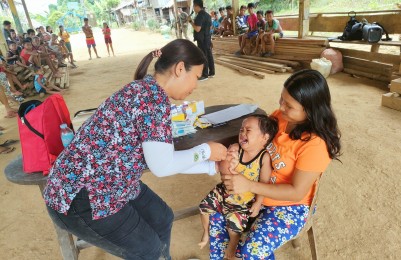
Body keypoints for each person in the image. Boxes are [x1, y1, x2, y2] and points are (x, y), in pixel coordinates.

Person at [43, 39, 228, 260]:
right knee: (146, 249)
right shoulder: (152, 99)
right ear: (180, 69)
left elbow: (160, 158)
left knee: (162, 217)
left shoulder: (146, 89)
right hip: (80, 196)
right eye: (196, 77)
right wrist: (206, 151)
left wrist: (210, 166)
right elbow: (162, 166)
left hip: (108, 182)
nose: (195, 86)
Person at [209, 69, 342, 259]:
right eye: (281, 99)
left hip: (289, 206)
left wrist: (249, 185)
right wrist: (237, 148)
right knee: (216, 216)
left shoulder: (315, 144)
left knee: (249, 252)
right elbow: (257, 142)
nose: (281, 106)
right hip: (256, 193)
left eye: (289, 105)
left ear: (310, 110)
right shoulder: (279, 118)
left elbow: (296, 192)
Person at [198, 114, 278, 259]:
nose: (242, 133)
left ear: (264, 138)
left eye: (248, 130)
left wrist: (258, 202)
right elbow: (224, 171)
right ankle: (206, 232)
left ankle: (233, 245)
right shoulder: (236, 148)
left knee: (234, 226)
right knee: (204, 207)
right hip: (223, 192)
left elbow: (263, 183)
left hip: (243, 200)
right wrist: (229, 162)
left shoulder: (264, 158)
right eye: (241, 130)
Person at [189, 0, 215, 81]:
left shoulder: (200, 15)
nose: (193, 8)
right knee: (209, 55)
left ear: (196, 6)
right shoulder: (207, 15)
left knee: (203, 55)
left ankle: (205, 74)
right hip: (207, 38)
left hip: (202, 39)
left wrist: (190, 21)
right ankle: (212, 72)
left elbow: (197, 29)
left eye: (193, 6)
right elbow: (210, 27)